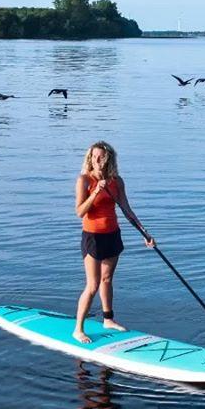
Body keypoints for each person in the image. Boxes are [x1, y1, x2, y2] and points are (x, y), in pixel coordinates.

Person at [74, 141, 155, 343]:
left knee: (107, 280)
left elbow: (126, 209)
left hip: (112, 235)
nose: (97, 160)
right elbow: (79, 211)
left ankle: (108, 319)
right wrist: (95, 193)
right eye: (94, 157)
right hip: (92, 237)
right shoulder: (84, 180)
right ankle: (78, 329)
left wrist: (144, 233)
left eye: (101, 157)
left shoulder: (117, 181)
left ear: (109, 158)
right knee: (92, 285)